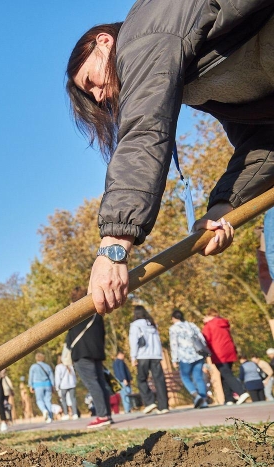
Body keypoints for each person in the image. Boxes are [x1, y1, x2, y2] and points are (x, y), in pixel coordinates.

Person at [66, 3, 274, 316]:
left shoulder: (143, 33)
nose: (99, 96)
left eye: (90, 81)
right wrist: (223, 207)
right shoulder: (193, 74)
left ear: (104, 42)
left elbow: (145, 131)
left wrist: (113, 248)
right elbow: (264, 139)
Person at [65, 287, 113, 428]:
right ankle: (107, 414)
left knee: (92, 384)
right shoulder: (96, 312)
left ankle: (102, 416)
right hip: (97, 352)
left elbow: (70, 335)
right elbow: (102, 333)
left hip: (82, 353)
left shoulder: (74, 314)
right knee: (100, 383)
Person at [202, 309, 250, 404]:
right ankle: (228, 398)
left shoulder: (209, 326)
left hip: (218, 353)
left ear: (208, 316)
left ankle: (241, 392)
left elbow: (205, 340)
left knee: (226, 374)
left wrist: (205, 352)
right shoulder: (224, 324)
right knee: (225, 374)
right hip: (229, 351)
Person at [130, 306, 169, 414]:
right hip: (155, 355)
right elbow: (158, 340)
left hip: (143, 355)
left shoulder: (135, 325)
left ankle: (149, 401)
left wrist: (133, 357)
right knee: (159, 380)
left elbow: (134, 341)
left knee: (141, 379)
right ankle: (163, 406)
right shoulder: (152, 324)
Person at [169, 310, 211, 408]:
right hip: (198, 354)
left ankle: (196, 396)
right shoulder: (192, 325)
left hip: (185, 356)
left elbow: (174, 344)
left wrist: (174, 359)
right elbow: (202, 338)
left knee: (185, 377)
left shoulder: (174, 328)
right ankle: (204, 401)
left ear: (174, 318)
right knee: (198, 377)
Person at [28, 352, 55, 423]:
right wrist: (53, 385)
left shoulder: (33, 366)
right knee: (48, 400)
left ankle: (44, 410)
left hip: (38, 385)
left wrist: (30, 385)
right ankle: (50, 417)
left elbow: (31, 377)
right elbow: (51, 376)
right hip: (48, 384)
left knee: (39, 400)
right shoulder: (47, 366)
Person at [54, 355, 78, 420]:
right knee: (73, 399)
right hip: (71, 384)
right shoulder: (70, 366)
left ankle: (66, 414)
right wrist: (75, 383)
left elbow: (57, 378)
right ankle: (75, 413)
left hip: (63, 385)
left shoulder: (58, 367)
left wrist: (57, 387)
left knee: (64, 400)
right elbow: (74, 376)